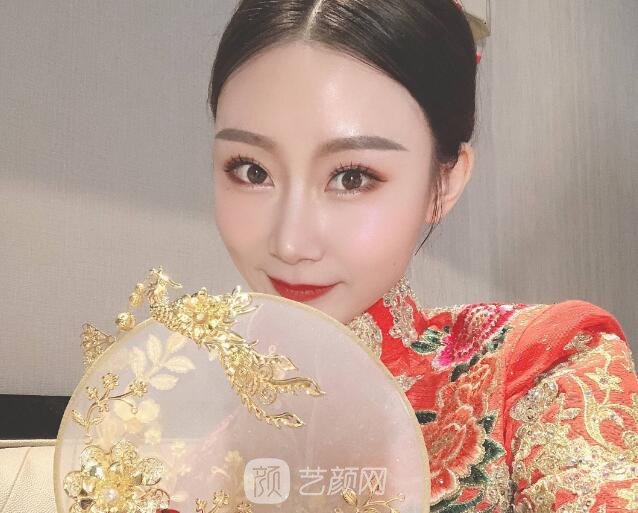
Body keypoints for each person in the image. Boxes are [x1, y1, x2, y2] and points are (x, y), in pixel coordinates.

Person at [208, 1, 638, 511]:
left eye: (352, 177)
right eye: (252, 171)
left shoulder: (539, 369)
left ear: (445, 182)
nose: (290, 242)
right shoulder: (166, 415)